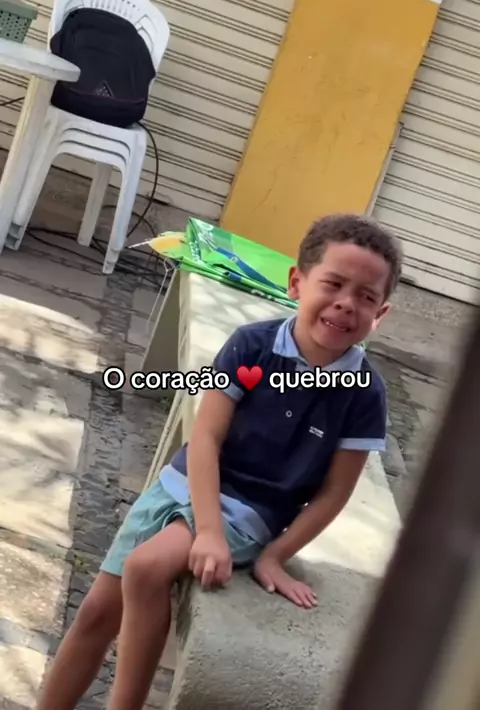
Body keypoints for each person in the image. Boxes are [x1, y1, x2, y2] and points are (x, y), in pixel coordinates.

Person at [37, 212, 402, 710]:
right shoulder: (251, 345)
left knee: (145, 567)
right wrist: (204, 530)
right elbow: (206, 437)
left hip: (247, 513)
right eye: (333, 284)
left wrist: (274, 554)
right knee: (96, 613)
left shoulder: (364, 394)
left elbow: (335, 493)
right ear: (297, 282)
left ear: (381, 313)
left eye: (365, 297)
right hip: (181, 483)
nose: (346, 303)